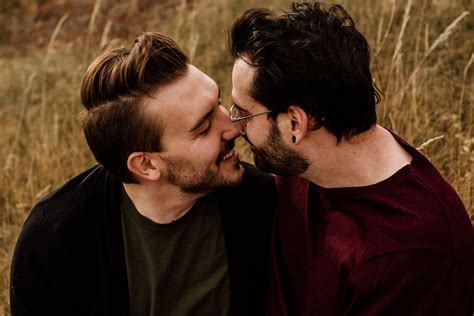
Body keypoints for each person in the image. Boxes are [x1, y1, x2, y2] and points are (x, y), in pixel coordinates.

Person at [228, 2, 474, 315]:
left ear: (295, 123)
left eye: (245, 114)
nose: (234, 126)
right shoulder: (308, 162)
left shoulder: (409, 254)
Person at [10, 32, 275, 316]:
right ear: (146, 165)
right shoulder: (54, 245)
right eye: (202, 128)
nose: (234, 127)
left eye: (218, 103)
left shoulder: (262, 202)